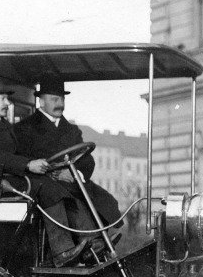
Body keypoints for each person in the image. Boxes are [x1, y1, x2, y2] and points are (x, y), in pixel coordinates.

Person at [0, 81, 92, 267]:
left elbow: (13, 152)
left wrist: (40, 163)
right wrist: (28, 164)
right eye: (3, 99)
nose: (8, 103)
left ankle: (92, 241)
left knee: (59, 186)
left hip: (10, 176)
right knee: (44, 186)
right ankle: (62, 252)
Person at [14, 78, 123, 240]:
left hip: (72, 179)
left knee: (105, 199)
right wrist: (56, 174)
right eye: (55, 99)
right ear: (41, 102)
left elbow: (86, 159)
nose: (60, 104)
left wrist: (76, 172)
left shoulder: (71, 130)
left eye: (62, 99)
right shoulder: (24, 128)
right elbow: (24, 160)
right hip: (43, 182)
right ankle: (92, 241)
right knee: (73, 201)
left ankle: (101, 239)